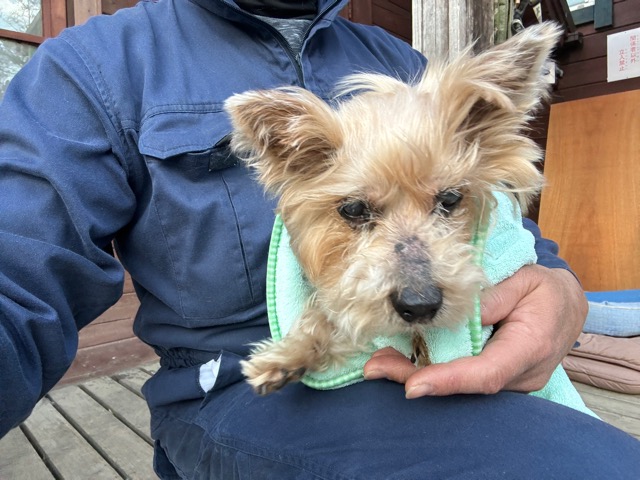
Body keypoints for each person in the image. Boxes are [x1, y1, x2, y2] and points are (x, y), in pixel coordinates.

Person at [0, 0, 638, 478]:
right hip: (246, 388)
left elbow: (499, 222)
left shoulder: (404, 61)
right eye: (359, 210)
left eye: (443, 201)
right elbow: (15, 274)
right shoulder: (101, 68)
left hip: (433, 361)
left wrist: (560, 287)